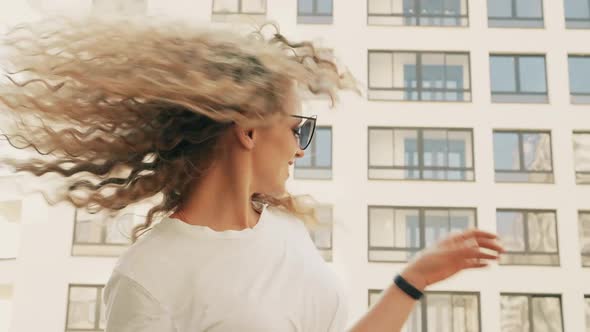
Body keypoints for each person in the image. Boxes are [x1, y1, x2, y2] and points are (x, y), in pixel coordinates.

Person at [0, 17, 504, 332]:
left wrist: (413, 280)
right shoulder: (148, 277)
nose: (301, 149)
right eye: (298, 127)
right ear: (249, 129)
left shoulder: (287, 232)